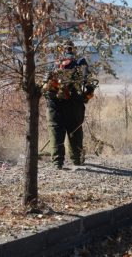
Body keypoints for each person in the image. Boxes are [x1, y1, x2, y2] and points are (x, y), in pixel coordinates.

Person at [42, 40, 93, 169]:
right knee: (75, 132)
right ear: (73, 49)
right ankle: (77, 160)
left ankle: (57, 163)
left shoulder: (53, 64)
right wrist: (85, 97)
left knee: (55, 132)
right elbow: (89, 85)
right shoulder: (80, 63)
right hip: (74, 105)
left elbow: (43, 87)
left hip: (54, 105)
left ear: (61, 50)